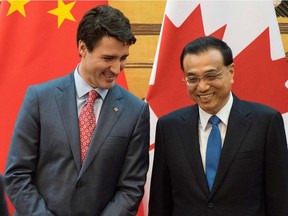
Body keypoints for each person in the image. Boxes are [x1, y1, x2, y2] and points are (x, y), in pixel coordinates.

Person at [5, 5, 150, 216]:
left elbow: (131, 188)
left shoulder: (135, 111)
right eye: (108, 58)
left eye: (123, 58)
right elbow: (17, 175)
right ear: (83, 48)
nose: (117, 69)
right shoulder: (39, 98)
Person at [148, 36, 288, 216]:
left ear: (231, 72)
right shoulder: (169, 127)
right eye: (192, 79)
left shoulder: (266, 122)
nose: (202, 86)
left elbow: (280, 199)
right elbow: (161, 202)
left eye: (211, 76)